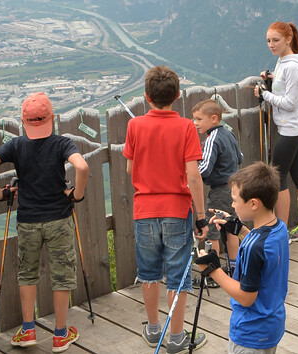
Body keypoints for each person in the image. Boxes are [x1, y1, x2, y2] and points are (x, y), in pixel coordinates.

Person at [0, 92, 88, 352]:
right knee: (62, 276)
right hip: (59, 218)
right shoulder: (62, 144)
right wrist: (76, 195)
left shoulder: (16, 145)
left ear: (23, 121)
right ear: (51, 118)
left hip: (27, 221)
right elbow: (81, 168)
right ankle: (61, 334)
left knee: (27, 273)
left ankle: (28, 331)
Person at [123, 65, 210, 352]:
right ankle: (176, 337)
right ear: (178, 95)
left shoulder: (135, 125)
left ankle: (152, 329)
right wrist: (201, 216)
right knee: (177, 274)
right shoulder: (186, 127)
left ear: (147, 96)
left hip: (144, 210)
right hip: (176, 210)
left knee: (149, 272)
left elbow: (129, 167)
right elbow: (193, 176)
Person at [194, 162, 289, 354]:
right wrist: (239, 230)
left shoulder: (255, 248)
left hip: (250, 334)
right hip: (271, 325)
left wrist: (213, 269)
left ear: (254, 204)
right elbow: (264, 251)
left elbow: (246, 298)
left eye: (235, 200)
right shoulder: (280, 229)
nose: (232, 205)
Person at [254, 21, 298, 243]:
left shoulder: (291, 66)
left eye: (276, 40)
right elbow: (288, 88)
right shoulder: (285, 62)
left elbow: (290, 102)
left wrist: (264, 94)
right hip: (294, 128)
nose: (271, 44)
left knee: (278, 179)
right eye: (268, 41)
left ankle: (281, 234)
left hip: (290, 129)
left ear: (288, 40)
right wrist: (271, 80)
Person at [193, 98, 244, 270]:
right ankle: (233, 266)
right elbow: (240, 158)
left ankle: (213, 271)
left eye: (199, 119)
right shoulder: (229, 133)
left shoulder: (212, 138)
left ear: (213, 119)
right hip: (234, 189)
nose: (195, 123)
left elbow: (205, 169)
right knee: (231, 228)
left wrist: (189, 177)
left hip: (219, 192)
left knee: (212, 231)